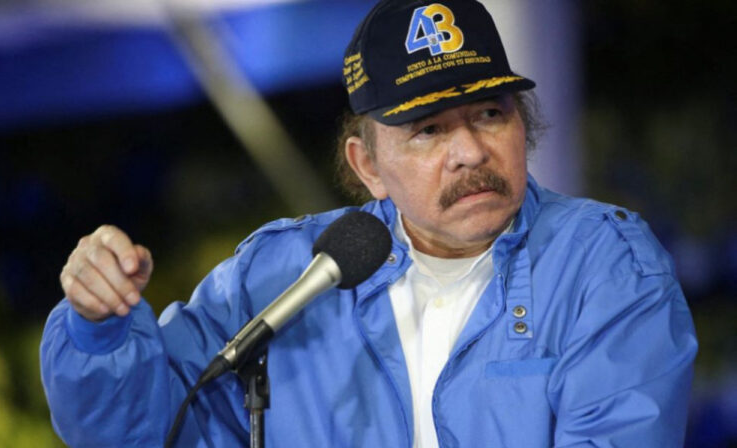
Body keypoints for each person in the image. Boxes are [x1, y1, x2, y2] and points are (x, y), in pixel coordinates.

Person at [40, 0, 698, 446]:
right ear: (368, 165)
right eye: (429, 130)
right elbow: (135, 431)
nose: (470, 151)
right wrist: (98, 330)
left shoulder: (603, 261)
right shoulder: (281, 274)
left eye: (490, 114)